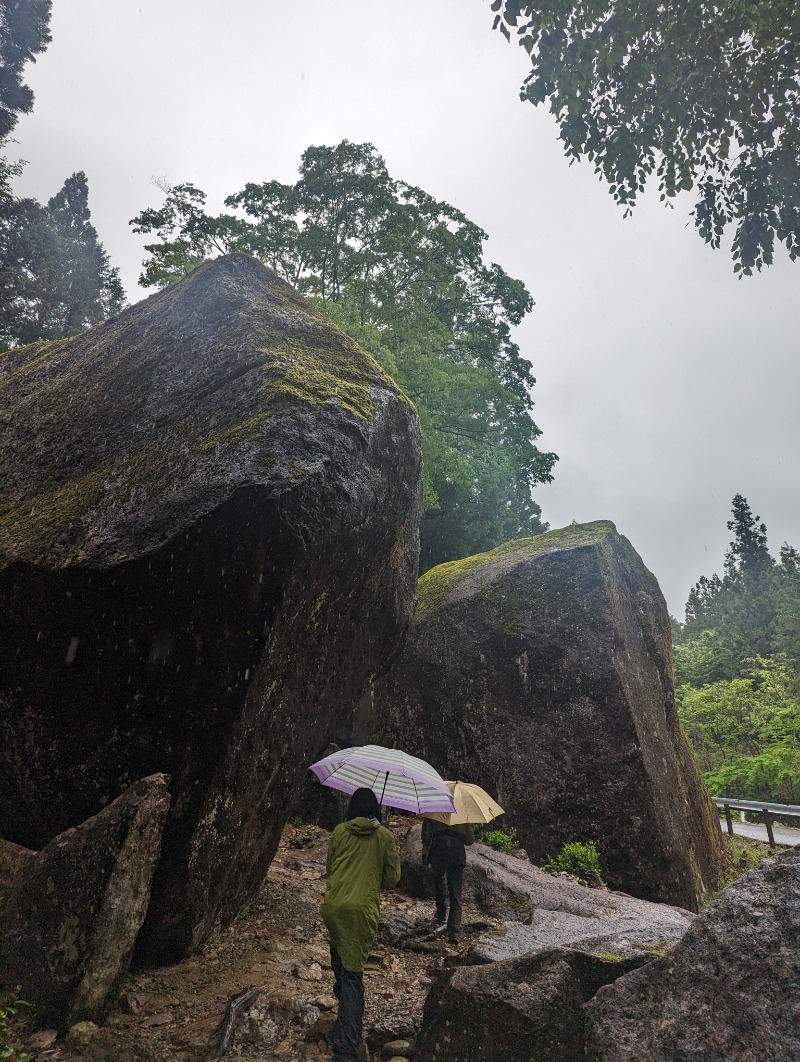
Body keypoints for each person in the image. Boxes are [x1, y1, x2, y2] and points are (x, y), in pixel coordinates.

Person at [321, 787, 401, 1062]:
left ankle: (342, 1004)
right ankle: (345, 1048)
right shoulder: (384, 837)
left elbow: (330, 867)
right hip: (361, 911)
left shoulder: (340, 831)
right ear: (376, 811)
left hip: (334, 906)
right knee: (354, 976)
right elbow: (392, 879)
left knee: (340, 960)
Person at [421, 817, 474, 944]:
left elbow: (426, 834)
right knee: (455, 892)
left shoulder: (434, 808)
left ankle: (440, 914)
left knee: (439, 882)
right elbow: (470, 840)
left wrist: (424, 852)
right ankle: (454, 930)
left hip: (438, 850)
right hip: (457, 853)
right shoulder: (463, 813)